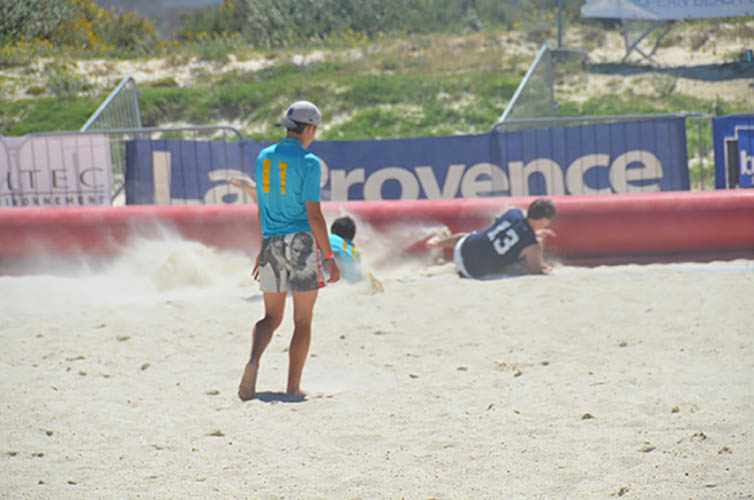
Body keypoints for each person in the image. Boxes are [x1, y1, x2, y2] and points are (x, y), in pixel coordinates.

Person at [237, 100, 340, 401]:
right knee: (302, 321)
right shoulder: (309, 162)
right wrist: (329, 257)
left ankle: (253, 361)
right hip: (302, 244)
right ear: (309, 128)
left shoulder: (264, 158)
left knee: (270, 317)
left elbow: (262, 206)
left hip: (271, 243)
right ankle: (293, 387)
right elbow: (315, 216)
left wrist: (262, 247)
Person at [428, 198, 557, 279]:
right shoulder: (533, 246)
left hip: (462, 248)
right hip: (471, 271)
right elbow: (536, 271)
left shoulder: (513, 212)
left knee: (473, 237)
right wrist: (545, 268)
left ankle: (438, 243)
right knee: (517, 259)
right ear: (543, 220)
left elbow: (513, 227)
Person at [328, 216, 364, 283]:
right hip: (347, 277)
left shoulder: (332, 238)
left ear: (333, 231)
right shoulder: (356, 252)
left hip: (331, 263)